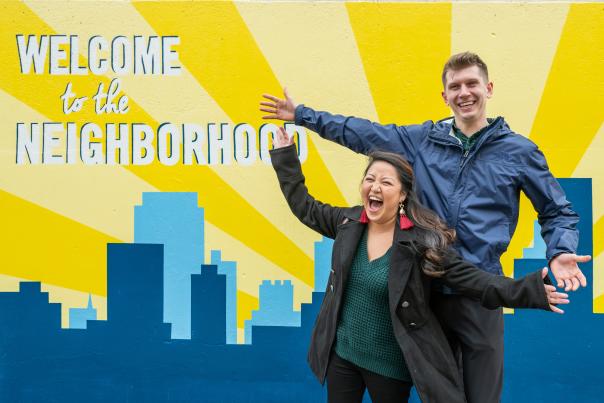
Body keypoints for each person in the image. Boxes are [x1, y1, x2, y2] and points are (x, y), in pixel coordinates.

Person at [261, 52, 591, 402]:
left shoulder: (519, 152)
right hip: (424, 292)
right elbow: (361, 133)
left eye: (472, 84)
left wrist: (561, 250)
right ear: (444, 96)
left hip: (478, 292)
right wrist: (302, 116)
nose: (464, 92)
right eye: (455, 86)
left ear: (489, 88)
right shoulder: (421, 140)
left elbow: (557, 211)